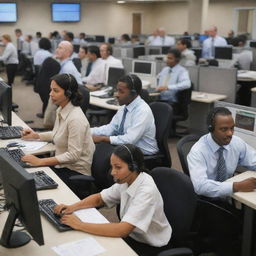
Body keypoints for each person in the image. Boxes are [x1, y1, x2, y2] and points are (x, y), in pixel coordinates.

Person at [54, 144, 172, 256]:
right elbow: (99, 199)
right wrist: (72, 207)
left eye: (118, 167)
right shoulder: (127, 180)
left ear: (134, 167)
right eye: (112, 166)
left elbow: (122, 230)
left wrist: (80, 225)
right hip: (133, 236)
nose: (112, 172)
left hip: (149, 245)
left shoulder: (146, 191)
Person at [21, 73, 95, 196]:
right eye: (51, 90)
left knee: (31, 184)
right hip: (62, 166)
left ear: (68, 94)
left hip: (74, 174)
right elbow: (57, 134)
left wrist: (41, 162)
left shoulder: (76, 119)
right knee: (27, 173)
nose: (50, 94)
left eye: (55, 91)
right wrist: (36, 136)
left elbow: (73, 156)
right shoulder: (62, 109)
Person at [188, 107, 256, 199]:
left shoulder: (236, 142)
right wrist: (237, 186)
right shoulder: (197, 152)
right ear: (211, 129)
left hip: (231, 196)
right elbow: (200, 186)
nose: (230, 133)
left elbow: (253, 160)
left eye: (232, 128)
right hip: (207, 200)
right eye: (224, 129)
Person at [91, 74, 159, 155]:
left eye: (121, 92)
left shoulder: (142, 111)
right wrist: (88, 131)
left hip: (142, 154)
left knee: (100, 154)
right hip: (126, 148)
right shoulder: (124, 107)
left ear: (133, 94)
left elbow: (129, 140)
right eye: (117, 90)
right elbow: (111, 128)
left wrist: (103, 139)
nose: (117, 95)